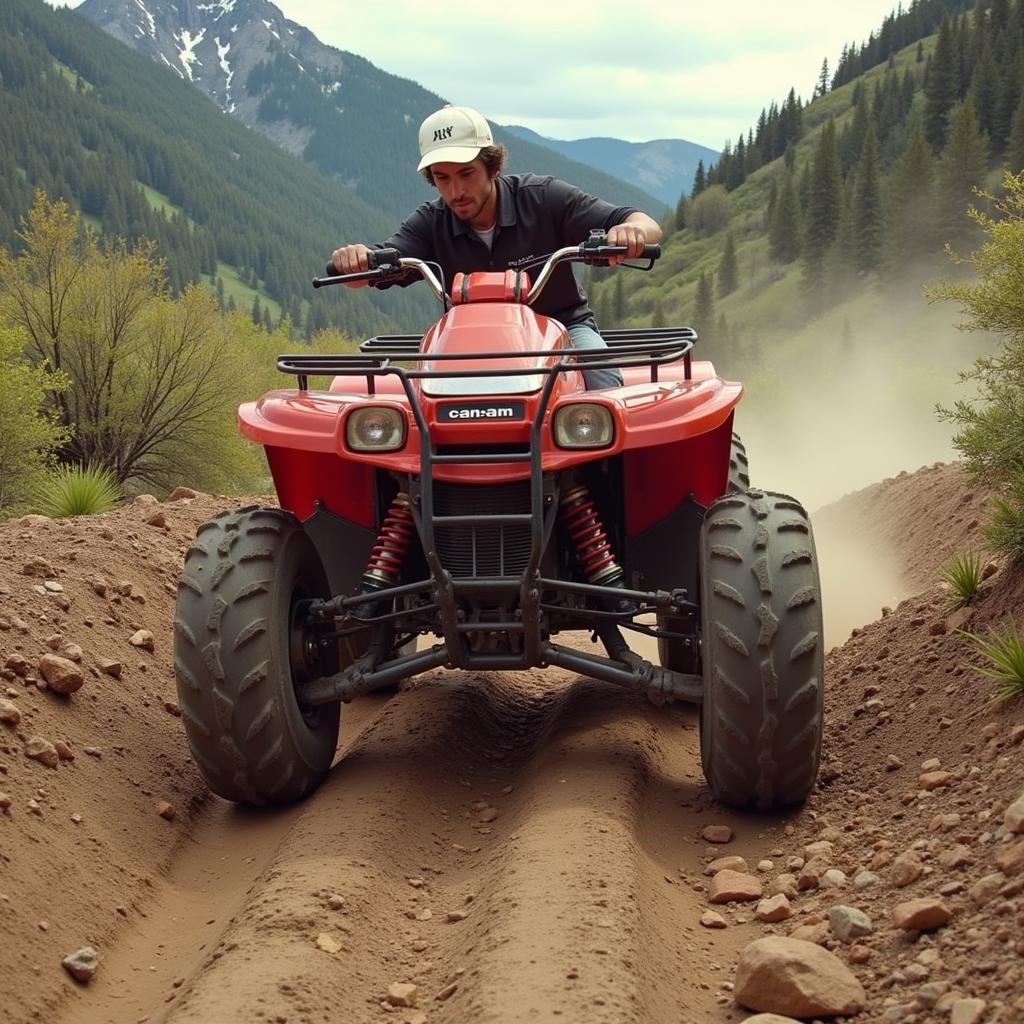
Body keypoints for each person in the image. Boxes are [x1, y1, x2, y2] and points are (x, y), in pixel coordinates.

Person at [331, 105, 663, 389]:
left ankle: (604, 466)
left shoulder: (543, 197)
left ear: (493, 166)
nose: (456, 190)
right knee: (417, 413)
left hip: (564, 330)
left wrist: (631, 231)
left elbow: (644, 223)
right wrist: (355, 262)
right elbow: (374, 269)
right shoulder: (430, 222)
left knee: (602, 382)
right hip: (469, 342)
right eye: (442, 178)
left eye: (466, 173)